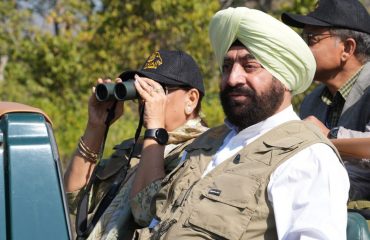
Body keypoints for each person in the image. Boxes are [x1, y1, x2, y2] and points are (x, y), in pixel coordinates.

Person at [132, 7, 350, 240]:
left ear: (285, 78)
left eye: (250, 67)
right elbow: (147, 214)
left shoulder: (307, 156)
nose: (233, 78)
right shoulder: (207, 142)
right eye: (227, 67)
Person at [63, 50, 208, 240]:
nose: (144, 98)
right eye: (140, 89)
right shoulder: (133, 150)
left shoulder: (203, 153)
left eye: (157, 89)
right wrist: (96, 126)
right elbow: (71, 200)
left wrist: (154, 126)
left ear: (191, 99)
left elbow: (145, 212)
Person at [282, 0, 370, 218]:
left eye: (312, 39)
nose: (302, 50)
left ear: (347, 48)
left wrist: (327, 137)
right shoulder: (312, 102)